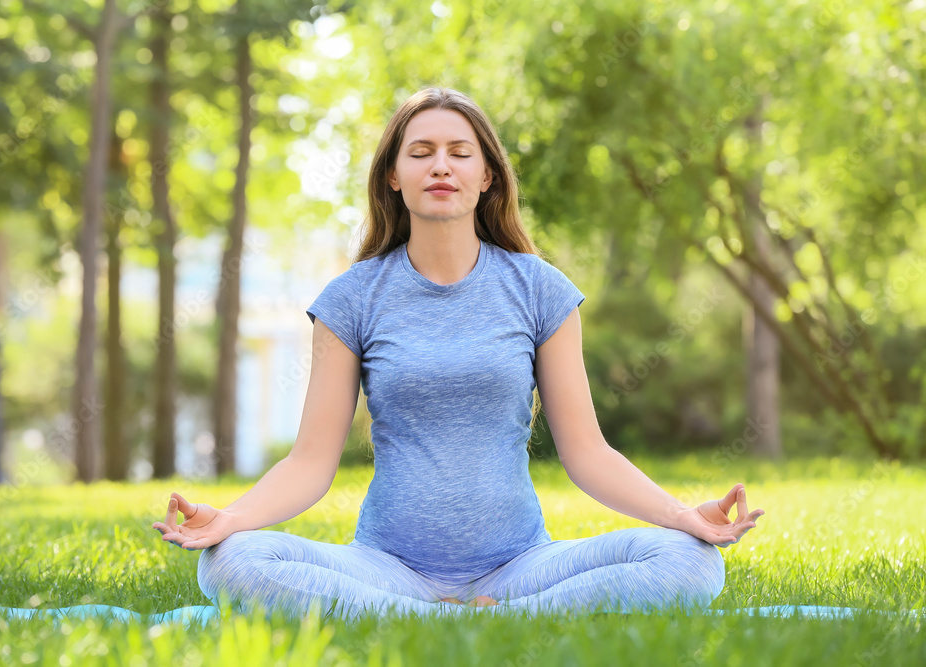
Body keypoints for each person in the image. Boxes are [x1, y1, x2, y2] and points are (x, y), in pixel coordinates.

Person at [152, 86, 765, 621]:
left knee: (690, 563)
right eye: (420, 153)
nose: (439, 166)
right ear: (393, 175)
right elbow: (311, 463)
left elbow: (588, 453)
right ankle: (451, 619)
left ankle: (492, 617)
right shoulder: (352, 298)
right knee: (230, 563)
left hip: (521, 567)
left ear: (486, 174)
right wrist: (231, 520)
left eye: (458, 152)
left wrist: (682, 516)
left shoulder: (539, 290)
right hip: (385, 569)